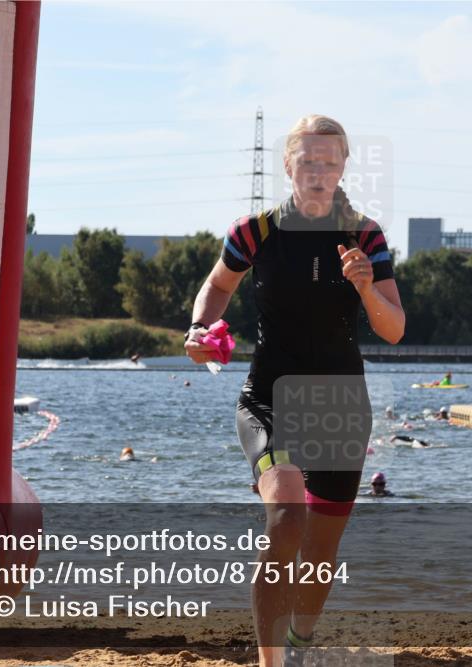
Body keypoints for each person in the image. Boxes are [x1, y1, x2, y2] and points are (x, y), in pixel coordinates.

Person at [184, 114, 404, 667]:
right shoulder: (253, 231)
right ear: (289, 166)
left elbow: (393, 327)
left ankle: (302, 644)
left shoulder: (366, 236)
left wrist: (364, 287)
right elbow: (217, 286)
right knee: (286, 517)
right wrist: (198, 331)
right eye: (307, 160)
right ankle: (271, 662)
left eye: (329, 162)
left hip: (341, 406)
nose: (318, 172)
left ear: (344, 167)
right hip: (270, 396)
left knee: (321, 553)